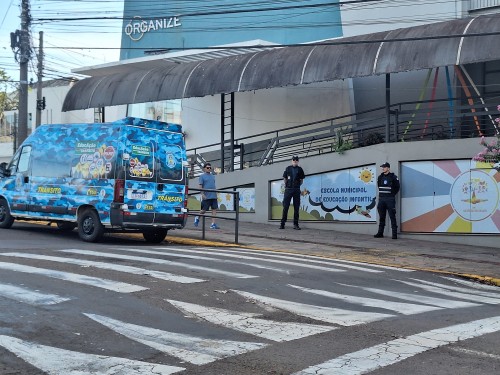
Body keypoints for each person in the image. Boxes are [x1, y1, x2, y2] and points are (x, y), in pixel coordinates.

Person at [374, 162, 400, 239]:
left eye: (384, 167)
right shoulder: (380, 177)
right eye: (382, 167)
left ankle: (394, 235)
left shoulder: (393, 177)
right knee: (381, 217)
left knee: (392, 216)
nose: (383, 168)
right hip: (382, 199)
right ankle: (380, 233)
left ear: (388, 168)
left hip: (390, 199)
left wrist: (391, 195)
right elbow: (379, 186)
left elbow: (397, 187)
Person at [280, 156, 305, 230]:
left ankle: (296, 224)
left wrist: (297, 186)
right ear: (292, 161)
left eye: (296, 160)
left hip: (296, 190)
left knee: (296, 207)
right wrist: (287, 185)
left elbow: (301, 180)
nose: (295, 161)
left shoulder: (300, 169)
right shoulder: (288, 168)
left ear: (298, 161)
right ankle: (282, 224)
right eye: (294, 160)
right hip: (288, 190)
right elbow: (285, 178)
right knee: (285, 207)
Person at [194, 163, 220, 229]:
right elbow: (200, 186)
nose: (209, 169)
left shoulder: (213, 176)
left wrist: (216, 193)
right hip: (206, 196)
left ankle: (213, 224)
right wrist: (202, 194)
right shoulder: (202, 176)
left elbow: (213, 185)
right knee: (203, 210)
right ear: (204, 168)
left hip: (213, 195)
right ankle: (197, 217)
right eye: (207, 168)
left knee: (214, 209)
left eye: (210, 168)